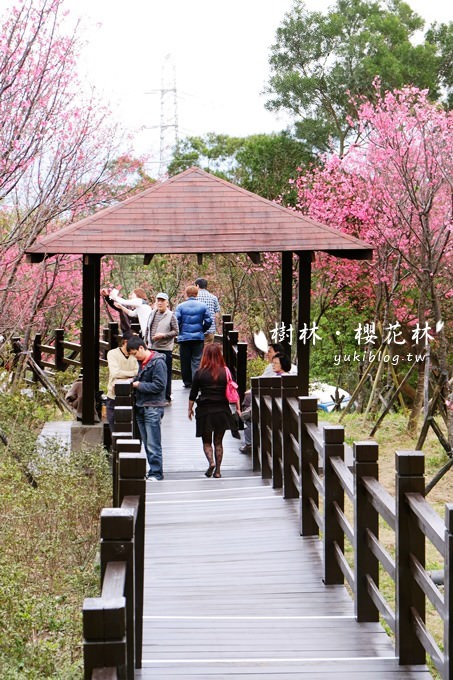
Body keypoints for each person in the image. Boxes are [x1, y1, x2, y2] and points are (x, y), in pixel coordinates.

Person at [188, 344, 237, 479]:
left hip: (205, 410)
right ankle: (218, 471)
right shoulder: (225, 371)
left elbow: (193, 394)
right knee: (218, 442)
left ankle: (211, 462)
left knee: (207, 442)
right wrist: (237, 408)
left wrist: (189, 409)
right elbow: (233, 389)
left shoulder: (200, 373)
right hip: (222, 410)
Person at [127, 335, 167, 481]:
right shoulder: (142, 363)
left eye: (135, 353)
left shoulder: (158, 363)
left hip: (153, 406)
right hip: (141, 406)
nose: (134, 357)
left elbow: (159, 385)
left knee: (153, 443)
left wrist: (139, 385)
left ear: (141, 348)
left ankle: (157, 472)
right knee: (146, 441)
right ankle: (152, 471)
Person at [175, 285, 212, 388]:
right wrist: (202, 330)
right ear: (197, 294)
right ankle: (196, 382)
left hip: (184, 338)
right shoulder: (203, 306)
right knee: (197, 360)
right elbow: (209, 321)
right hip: (198, 337)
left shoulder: (180, 306)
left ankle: (187, 382)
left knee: (185, 360)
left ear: (186, 294)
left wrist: (180, 331)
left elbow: (175, 321)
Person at [145, 292, 179, 404]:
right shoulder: (152, 313)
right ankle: (154, 396)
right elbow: (147, 329)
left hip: (164, 349)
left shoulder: (171, 315)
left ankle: (166, 397)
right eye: (158, 300)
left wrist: (163, 335)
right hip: (151, 347)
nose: (160, 303)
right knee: (152, 373)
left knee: (165, 373)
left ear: (167, 303)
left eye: (162, 301)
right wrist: (146, 341)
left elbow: (176, 331)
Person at [105, 331, 138, 433]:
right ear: (125, 342)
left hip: (132, 394)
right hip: (113, 395)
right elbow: (115, 373)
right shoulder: (112, 353)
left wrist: (124, 375)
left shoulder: (136, 354)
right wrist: (132, 375)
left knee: (131, 428)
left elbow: (138, 372)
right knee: (114, 427)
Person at [194, 277, 221, 343]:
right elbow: (217, 315)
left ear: (197, 286)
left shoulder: (194, 298)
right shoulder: (213, 297)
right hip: (210, 329)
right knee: (207, 351)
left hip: (196, 330)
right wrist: (215, 326)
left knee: (197, 351)